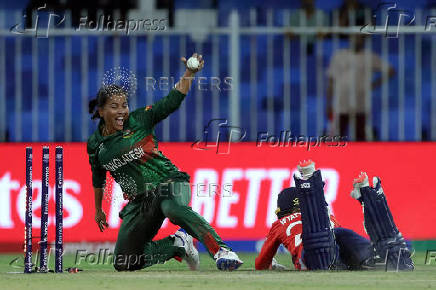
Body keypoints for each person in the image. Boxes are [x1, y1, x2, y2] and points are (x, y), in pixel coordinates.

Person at [87, 53, 243, 271]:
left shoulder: (140, 119)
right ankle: (177, 244)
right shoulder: (95, 144)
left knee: (173, 209)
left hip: (169, 182)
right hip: (140, 201)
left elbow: (171, 101)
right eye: (114, 106)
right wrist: (98, 210)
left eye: (124, 105)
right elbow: (98, 176)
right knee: (124, 262)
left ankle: (222, 251)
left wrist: (189, 73)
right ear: (102, 111)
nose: (122, 111)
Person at [256, 160, 414, 271]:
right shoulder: (329, 217)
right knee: (338, 233)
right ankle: (376, 254)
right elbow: (340, 236)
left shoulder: (280, 224)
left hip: (314, 257)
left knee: (324, 240)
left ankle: (309, 181)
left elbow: (261, 262)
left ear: (282, 210)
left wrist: (272, 265)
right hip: (342, 247)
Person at [326, 35, 395, 140]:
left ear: (363, 40)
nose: (357, 40)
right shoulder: (339, 55)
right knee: (336, 137)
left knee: (360, 137)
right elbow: (331, 80)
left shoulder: (369, 56)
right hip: (341, 104)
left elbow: (391, 71)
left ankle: (360, 156)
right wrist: (328, 103)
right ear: (349, 38)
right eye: (354, 37)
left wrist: (374, 84)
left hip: (360, 104)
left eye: (359, 38)